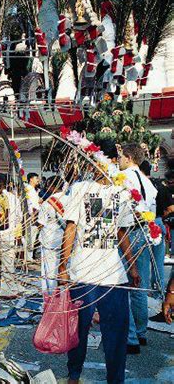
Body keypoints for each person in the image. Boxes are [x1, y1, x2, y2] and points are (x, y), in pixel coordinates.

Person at [58, 158, 140, 384]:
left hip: (113, 273)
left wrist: (132, 266)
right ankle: (73, 376)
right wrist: (63, 266)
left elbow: (122, 232)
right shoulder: (80, 189)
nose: (96, 167)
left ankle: (116, 380)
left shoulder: (121, 192)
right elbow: (71, 227)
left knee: (117, 333)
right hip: (83, 272)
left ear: (112, 162)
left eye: (102, 162)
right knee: (78, 330)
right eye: (92, 162)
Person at [119, 143, 158, 353]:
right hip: (145, 231)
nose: (118, 160)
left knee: (124, 286)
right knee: (139, 285)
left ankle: (131, 338)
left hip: (128, 232)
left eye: (120, 156)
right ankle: (141, 333)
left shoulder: (122, 177)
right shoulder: (147, 181)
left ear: (128, 158)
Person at [139, 161, 174, 297]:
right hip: (158, 222)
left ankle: (143, 289)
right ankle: (157, 291)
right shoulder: (160, 186)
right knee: (158, 261)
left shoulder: (138, 186)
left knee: (143, 260)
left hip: (142, 224)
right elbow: (171, 208)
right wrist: (161, 217)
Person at [0, 173, 23, 297]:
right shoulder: (13, 198)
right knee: (8, 264)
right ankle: (7, 290)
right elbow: (19, 217)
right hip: (8, 234)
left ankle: (0, 289)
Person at [37, 175, 68, 292]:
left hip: (49, 241)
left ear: (51, 186)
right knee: (65, 270)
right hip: (67, 241)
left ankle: (51, 299)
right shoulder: (70, 199)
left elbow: (41, 223)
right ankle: (65, 299)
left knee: (49, 272)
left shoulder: (47, 203)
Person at [25, 172, 42, 260]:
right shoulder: (28, 189)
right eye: (36, 178)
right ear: (31, 179)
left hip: (36, 215)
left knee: (34, 236)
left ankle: (30, 256)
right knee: (30, 237)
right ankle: (28, 258)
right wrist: (33, 215)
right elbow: (29, 204)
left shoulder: (33, 189)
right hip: (32, 216)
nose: (38, 180)